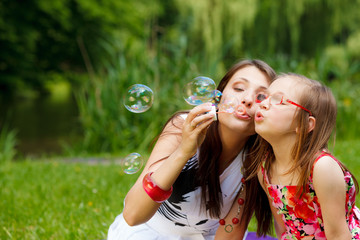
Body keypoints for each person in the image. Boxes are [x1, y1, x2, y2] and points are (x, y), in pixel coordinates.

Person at [107, 59, 277, 240]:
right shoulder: (183, 126)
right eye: (238, 88)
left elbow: (230, 233)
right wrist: (184, 151)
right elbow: (133, 215)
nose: (248, 99)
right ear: (219, 96)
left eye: (260, 97)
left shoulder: (256, 158)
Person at [251, 73, 360, 239]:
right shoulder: (265, 168)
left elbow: (339, 236)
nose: (263, 104)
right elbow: (284, 229)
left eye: (278, 100)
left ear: (305, 124)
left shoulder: (322, 168)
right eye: (264, 97)